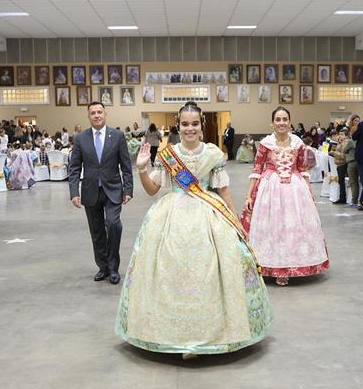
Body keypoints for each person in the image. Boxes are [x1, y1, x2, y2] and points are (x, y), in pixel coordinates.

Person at [116, 101, 272, 358]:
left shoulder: (213, 154)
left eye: (195, 124)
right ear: (178, 126)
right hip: (171, 215)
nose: (190, 128)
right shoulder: (168, 154)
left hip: (208, 214)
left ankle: (214, 333)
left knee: (214, 270)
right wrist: (143, 168)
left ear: (202, 126)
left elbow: (222, 189)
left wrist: (235, 221)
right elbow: (152, 190)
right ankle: (172, 335)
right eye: (185, 124)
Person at [242, 106, 330, 286]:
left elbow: (302, 169)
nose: (281, 123)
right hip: (271, 188)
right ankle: (274, 267)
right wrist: (249, 195)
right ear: (272, 122)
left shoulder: (298, 143)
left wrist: (309, 191)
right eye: (278, 119)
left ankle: (293, 265)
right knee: (273, 226)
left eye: (284, 119)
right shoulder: (266, 144)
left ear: (289, 122)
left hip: (295, 189)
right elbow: (257, 169)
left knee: (293, 227)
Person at [68, 102, 133, 285]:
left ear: (105, 114)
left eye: (99, 112)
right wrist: (74, 192)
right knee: (96, 232)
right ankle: (103, 267)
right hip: (90, 191)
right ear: (88, 116)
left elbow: (126, 166)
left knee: (113, 225)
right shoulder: (81, 138)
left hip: (113, 190)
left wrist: (128, 189)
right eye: (93, 113)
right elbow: (74, 168)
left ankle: (113, 268)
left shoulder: (117, 136)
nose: (96, 115)